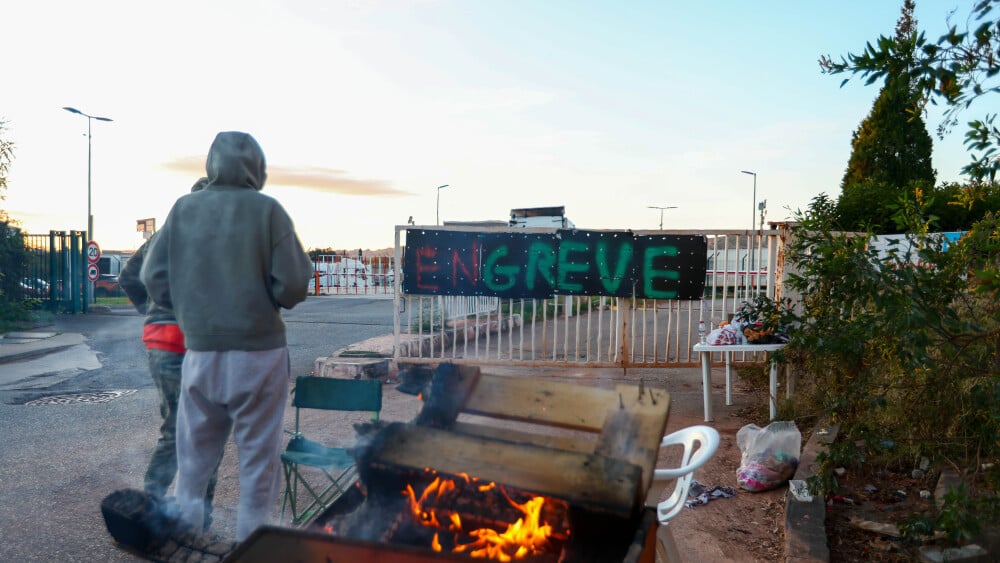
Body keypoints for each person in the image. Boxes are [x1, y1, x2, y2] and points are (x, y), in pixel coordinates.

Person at [140, 131, 313, 541]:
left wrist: (189, 308)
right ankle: (249, 548)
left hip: (200, 353)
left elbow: (152, 277)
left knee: (194, 461)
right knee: (257, 465)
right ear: (258, 168)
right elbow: (293, 284)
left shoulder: (183, 210)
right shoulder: (269, 211)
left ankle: (185, 540)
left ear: (211, 165)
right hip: (260, 355)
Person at [118, 177, 221, 529]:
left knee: (176, 428)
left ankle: (153, 509)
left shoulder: (163, 234)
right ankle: (196, 520)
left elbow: (128, 278)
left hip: (161, 343)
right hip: (200, 347)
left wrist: (153, 311)